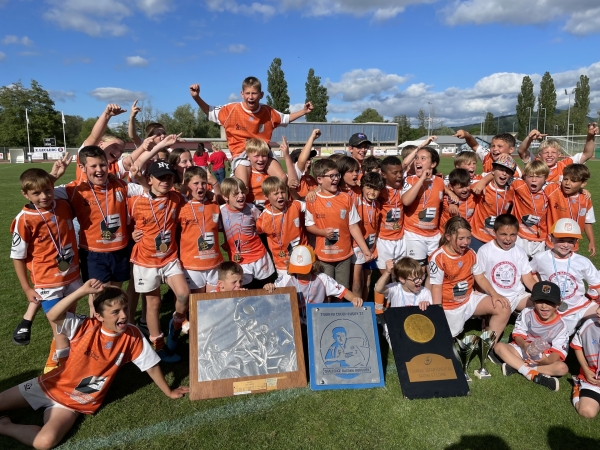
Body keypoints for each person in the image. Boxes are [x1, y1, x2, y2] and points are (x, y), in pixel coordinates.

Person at [0, 280, 188, 450]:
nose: (123, 316)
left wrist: (169, 392)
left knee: (44, 442)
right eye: (115, 312)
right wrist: (82, 291)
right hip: (51, 385)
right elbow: (54, 314)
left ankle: (6, 427)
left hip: (74, 402)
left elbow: (152, 367)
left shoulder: (133, 335)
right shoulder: (83, 326)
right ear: (99, 316)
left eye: (126, 309)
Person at [10, 169, 81, 373]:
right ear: (26, 194)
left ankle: (56, 360)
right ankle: (60, 373)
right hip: (47, 283)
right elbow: (17, 256)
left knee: (67, 325)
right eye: (37, 193)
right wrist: (26, 288)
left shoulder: (63, 205)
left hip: (72, 276)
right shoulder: (24, 219)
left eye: (48, 191)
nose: (44, 197)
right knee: (61, 329)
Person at [189, 78, 313, 188]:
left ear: (261, 94)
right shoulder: (231, 109)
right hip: (241, 153)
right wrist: (196, 97)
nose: (251, 97)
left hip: (263, 151)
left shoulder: (268, 111)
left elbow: (285, 118)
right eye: (247, 93)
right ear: (242, 94)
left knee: (282, 179)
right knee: (242, 186)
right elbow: (209, 111)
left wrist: (303, 111)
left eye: (254, 93)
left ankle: (271, 210)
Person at [128, 160, 190, 362]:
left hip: (169, 258)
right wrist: (132, 233)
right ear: (150, 179)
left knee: (183, 294)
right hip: (145, 261)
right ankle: (159, 346)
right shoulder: (135, 201)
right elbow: (122, 221)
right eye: (161, 177)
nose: (166, 181)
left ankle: (175, 325)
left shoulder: (176, 198)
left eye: (169, 177)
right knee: (153, 304)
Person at [429, 216, 511, 340]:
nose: (466, 242)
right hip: (449, 306)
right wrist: (437, 311)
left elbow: (480, 277)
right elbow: (436, 286)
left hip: (469, 299)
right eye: (461, 238)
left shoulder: (471, 253)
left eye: (468, 238)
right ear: (448, 237)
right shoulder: (439, 257)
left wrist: (494, 294)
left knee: (503, 307)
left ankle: (487, 346)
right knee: (441, 339)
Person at [304, 158, 372, 290]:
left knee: (342, 289)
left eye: (337, 175)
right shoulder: (312, 200)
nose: (336, 179)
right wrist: (322, 232)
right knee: (326, 289)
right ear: (319, 179)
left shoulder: (346, 198)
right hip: (323, 255)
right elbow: (309, 225)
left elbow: (353, 226)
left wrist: (365, 249)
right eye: (331, 176)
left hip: (344, 255)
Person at [495, 281, 569, 392]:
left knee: (562, 368)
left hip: (543, 356)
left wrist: (547, 361)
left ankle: (517, 366)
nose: (544, 306)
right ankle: (531, 374)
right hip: (523, 348)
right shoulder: (527, 312)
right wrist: (524, 344)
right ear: (533, 302)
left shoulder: (561, 325)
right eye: (540, 301)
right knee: (499, 347)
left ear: (558, 304)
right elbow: (518, 334)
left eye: (549, 302)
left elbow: (558, 352)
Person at [530, 218, 600, 335]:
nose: (566, 245)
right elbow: (529, 274)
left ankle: (581, 326)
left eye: (571, 241)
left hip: (581, 306)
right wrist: (539, 288)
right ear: (550, 237)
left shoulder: (582, 261)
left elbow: (597, 284)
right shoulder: (540, 258)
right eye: (561, 240)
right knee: (550, 338)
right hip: (554, 309)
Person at [263, 245, 363, 324]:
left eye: (303, 270)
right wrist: (268, 287)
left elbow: (343, 291)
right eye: (296, 270)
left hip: (318, 320)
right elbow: (271, 293)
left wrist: (354, 298)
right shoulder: (286, 279)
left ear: (313, 266)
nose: (300, 273)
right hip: (294, 322)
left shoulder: (323, 278)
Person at [219, 177, 275, 287]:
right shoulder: (220, 212)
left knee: (267, 287)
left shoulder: (252, 209)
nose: (241, 196)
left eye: (242, 192)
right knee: (243, 289)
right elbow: (219, 228)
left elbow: (262, 227)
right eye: (236, 193)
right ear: (225, 197)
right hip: (238, 258)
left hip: (259, 255)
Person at [476, 214, 537, 312]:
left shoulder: (520, 252)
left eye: (513, 234)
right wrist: (486, 296)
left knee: (541, 303)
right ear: (494, 232)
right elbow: (480, 277)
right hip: (494, 296)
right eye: (503, 234)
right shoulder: (485, 250)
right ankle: (488, 318)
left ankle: (518, 315)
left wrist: (542, 295)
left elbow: (528, 279)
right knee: (499, 316)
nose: (508, 239)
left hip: (517, 297)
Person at [179, 166, 224, 294]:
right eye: (196, 183)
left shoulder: (213, 202)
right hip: (192, 264)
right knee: (196, 304)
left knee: (214, 304)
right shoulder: (182, 206)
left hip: (214, 262)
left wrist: (214, 183)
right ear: (187, 185)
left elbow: (223, 200)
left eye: (204, 183)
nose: (201, 187)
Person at [375, 256, 433, 347]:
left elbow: (431, 317)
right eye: (415, 279)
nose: (420, 281)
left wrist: (427, 305)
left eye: (421, 277)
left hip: (416, 326)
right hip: (397, 325)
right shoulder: (395, 288)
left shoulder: (425, 292)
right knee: (400, 347)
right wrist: (387, 272)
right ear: (402, 279)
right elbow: (378, 289)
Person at [401, 146, 444, 266]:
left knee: (434, 272)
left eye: (423, 158)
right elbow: (406, 201)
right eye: (416, 158)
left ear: (433, 164)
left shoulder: (440, 181)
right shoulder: (410, 180)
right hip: (414, 234)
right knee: (417, 270)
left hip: (433, 235)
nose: (417, 161)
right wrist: (422, 179)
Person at [256, 176, 307, 277]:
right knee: (289, 289)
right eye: (276, 194)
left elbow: (312, 207)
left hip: (303, 257)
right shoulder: (264, 218)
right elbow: (258, 233)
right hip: (282, 262)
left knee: (305, 287)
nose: (281, 196)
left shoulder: (295, 205)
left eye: (283, 192)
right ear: (266, 196)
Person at [374, 156, 405, 317]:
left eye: (401, 172)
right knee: (384, 277)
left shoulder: (404, 188)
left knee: (399, 277)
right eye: (395, 173)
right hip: (383, 240)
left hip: (400, 239)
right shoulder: (378, 190)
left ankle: (397, 309)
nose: (399, 175)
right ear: (384, 174)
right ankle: (379, 312)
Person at [544, 164, 596, 256]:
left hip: (572, 245)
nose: (567, 183)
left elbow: (587, 221)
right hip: (552, 243)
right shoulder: (553, 190)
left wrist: (591, 241)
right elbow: (537, 183)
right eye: (565, 179)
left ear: (583, 183)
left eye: (573, 181)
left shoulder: (586, 199)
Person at [519, 123, 597, 183]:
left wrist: (590, 137)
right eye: (546, 152)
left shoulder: (565, 164)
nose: (550, 155)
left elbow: (587, 154)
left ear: (559, 154)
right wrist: (529, 138)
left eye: (553, 152)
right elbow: (521, 151)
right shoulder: (534, 164)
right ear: (539, 154)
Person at [470, 154, 516, 252]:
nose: (504, 174)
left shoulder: (512, 191)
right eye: (500, 170)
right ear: (493, 171)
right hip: (478, 236)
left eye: (508, 172)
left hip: (498, 239)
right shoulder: (481, 186)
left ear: (511, 175)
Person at [352, 172, 384, 300]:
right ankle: (357, 310)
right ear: (362, 187)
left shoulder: (377, 205)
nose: (372, 192)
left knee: (367, 282)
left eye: (376, 189)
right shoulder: (356, 200)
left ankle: (365, 308)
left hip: (371, 249)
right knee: (356, 283)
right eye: (368, 188)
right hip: (357, 247)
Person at [511, 159, 551, 258]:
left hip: (540, 239)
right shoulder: (519, 185)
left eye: (538, 176)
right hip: (520, 237)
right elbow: (500, 175)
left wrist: (582, 190)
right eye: (530, 176)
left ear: (545, 177)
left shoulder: (551, 189)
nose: (534, 180)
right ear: (524, 177)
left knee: (537, 271)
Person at [454, 130, 524, 178]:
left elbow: (522, 175)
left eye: (500, 146)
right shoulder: (487, 155)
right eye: (492, 146)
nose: (495, 149)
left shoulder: (515, 169)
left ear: (511, 149)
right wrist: (467, 135)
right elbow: (474, 145)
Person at [570, 305, 600, 418]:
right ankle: (577, 387)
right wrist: (586, 370)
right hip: (592, 378)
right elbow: (577, 345)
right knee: (587, 411)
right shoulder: (590, 324)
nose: (597, 311)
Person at [439, 168, 475, 233]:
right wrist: (451, 199)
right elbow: (437, 184)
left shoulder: (474, 196)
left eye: (467, 185)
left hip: (465, 236)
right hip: (446, 235)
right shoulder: (444, 197)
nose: (465, 189)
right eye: (461, 187)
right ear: (451, 187)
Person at [289, 130, 319, 199]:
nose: (309, 162)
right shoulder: (293, 178)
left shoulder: (312, 179)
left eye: (309, 159)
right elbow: (301, 162)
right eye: (306, 159)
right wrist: (312, 138)